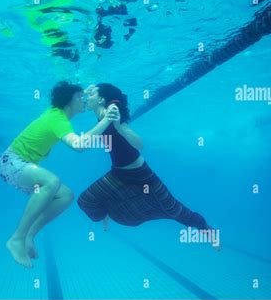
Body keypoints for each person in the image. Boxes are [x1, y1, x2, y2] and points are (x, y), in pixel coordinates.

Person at [0, 81, 119, 268]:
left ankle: (29, 235)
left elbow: (69, 97)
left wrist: (81, 90)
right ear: (68, 101)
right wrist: (106, 120)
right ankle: (17, 239)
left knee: (66, 195)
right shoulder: (58, 118)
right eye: (79, 98)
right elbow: (79, 145)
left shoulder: (57, 114)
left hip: (18, 165)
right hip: (10, 162)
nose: (84, 100)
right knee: (51, 182)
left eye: (84, 96)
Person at [78, 83, 217, 240]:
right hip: (118, 173)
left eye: (91, 94)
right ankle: (104, 215)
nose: (87, 97)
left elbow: (139, 144)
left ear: (101, 99)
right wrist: (92, 88)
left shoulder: (110, 112)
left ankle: (208, 231)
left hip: (142, 175)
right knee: (86, 200)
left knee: (175, 210)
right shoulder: (101, 113)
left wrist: (119, 126)